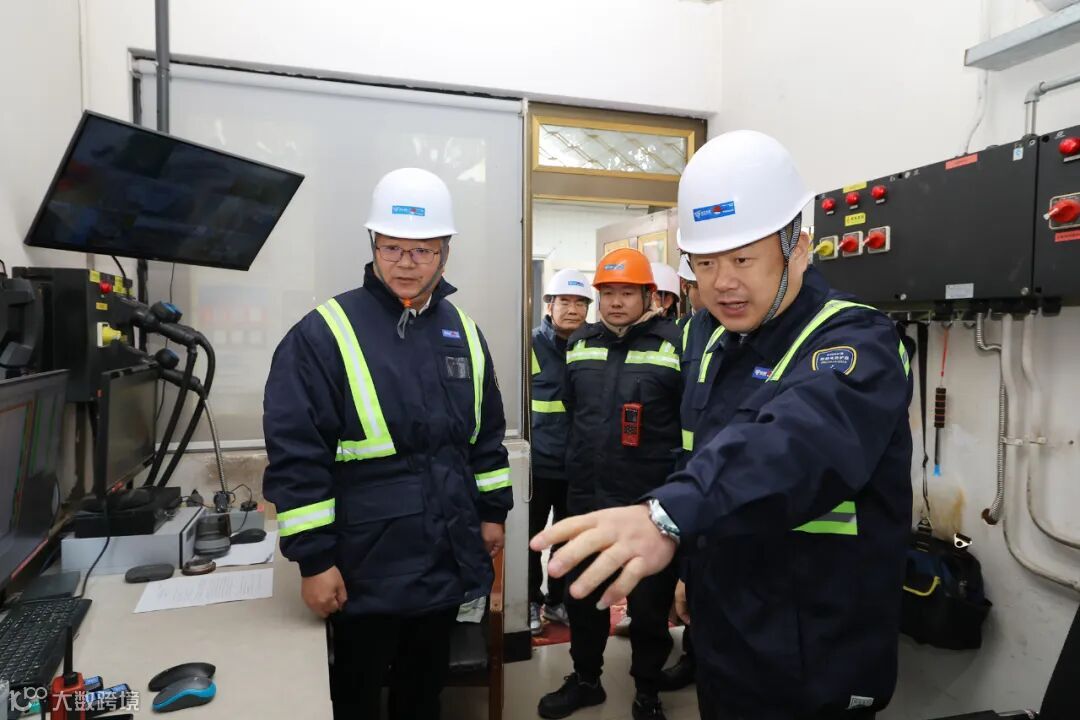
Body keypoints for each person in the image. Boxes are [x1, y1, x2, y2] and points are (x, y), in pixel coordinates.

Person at [532, 130, 913, 720]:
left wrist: (669, 516)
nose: (722, 282)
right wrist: (692, 569)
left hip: (815, 640)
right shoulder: (714, 342)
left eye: (742, 259)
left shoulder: (856, 340)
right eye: (705, 263)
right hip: (727, 625)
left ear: (798, 247)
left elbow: (793, 445)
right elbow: (703, 457)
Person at [263, 167, 512, 720]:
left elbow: (486, 437)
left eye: (422, 250)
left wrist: (492, 511)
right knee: (356, 696)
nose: (405, 262)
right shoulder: (324, 333)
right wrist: (314, 561)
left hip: (443, 557)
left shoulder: (463, 333)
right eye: (392, 247)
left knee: (423, 693)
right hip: (365, 568)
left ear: (445, 252)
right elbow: (297, 456)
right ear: (373, 243)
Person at [537, 248, 682, 720]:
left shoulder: (674, 345)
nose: (616, 302)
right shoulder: (581, 342)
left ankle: (647, 691)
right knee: (583, 596)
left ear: (649, 296)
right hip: (587, 495)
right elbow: (574, 409)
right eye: (608, 293)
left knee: (649, 605)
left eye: (626, 293)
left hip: (646, 502)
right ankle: (586, 680)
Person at [529, 268, 592, 634]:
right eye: (564, 301)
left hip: (578, 465)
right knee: (532, 540)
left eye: (580, 302)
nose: (572, 309)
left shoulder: (594, 345)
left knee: (569, 539)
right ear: (549, 305)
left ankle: (558, 601)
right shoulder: (529, 345)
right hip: (538, 465)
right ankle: (530, 601)